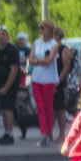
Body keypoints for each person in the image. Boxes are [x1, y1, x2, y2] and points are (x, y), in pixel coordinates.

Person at [29, 19, 60, 147]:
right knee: (40, 107)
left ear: (48, 30)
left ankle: (48, 133)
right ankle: (43, 134)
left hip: (49, 79)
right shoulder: (37, 42)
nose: (40, 30)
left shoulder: (54, 44)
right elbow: (30, 59)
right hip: (36, 78)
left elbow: (50, 60)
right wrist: (38, 60)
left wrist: (37, 61)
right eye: (40, 28)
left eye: (43, 28)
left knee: (48, 107)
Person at [0, 26, 20, 145]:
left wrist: (6, 87)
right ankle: (5, 133)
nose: (1, 36)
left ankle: (10, 133)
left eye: (4, 34)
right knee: (3, 109)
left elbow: (14, 70)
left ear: (7, 36)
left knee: (8, 108)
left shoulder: (12, 50)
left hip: (9, 84)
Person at [51, 26, 74, 142]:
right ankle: (49, 133)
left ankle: (62, 134)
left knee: (60, 109)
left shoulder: (63, 49)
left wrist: (57, 81)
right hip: (50, 81)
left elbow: (66, 67)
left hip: (59, 83)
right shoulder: (51, 48)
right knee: (52, 109)